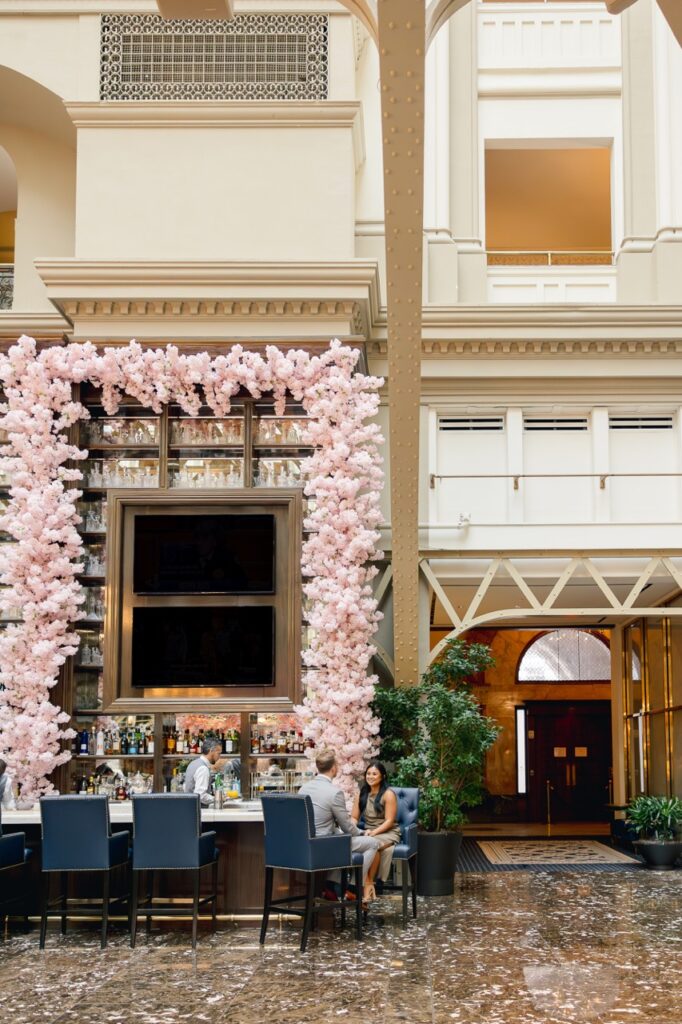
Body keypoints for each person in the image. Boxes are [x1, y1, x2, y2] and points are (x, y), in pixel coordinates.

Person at [298, 749, 380, 904]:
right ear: (333, 768)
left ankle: (331, 887)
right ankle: (353, 888)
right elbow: (348, 827)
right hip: (325, 846)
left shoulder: (304, 788)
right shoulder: (334, 793)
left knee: (341, 841)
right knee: (373, 843)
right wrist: (362, 833)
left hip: (306, 845)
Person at [352, 760, 401, 896]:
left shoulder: (388, 794)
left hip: (388, 832)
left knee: (373, 844)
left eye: (374, 774)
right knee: (370, 846)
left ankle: (366, 884)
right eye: (368, 773)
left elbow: (390, 821)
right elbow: (354, 818)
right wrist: (352, 830)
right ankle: (369, 884)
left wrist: (373, 833)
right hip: (368, 831)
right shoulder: (361, 794)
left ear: (383, 776)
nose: (370, 776)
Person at [183, 737, 222, 805]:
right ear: (211, 751)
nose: (219, 757)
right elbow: (201, 795)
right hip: (199, 810)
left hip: (189, 807)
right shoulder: (203, 768)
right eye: (218, 753)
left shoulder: (193, 763)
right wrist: (217, 798)